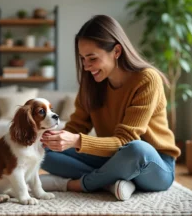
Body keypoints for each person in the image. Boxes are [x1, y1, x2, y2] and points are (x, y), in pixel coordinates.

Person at [39, 15, 181, 201]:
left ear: (116, 51)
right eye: (83, 59)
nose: (87, 66)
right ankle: (111, 182)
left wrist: (76, 140)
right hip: (113, 159)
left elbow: (126, 141)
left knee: (137, 149)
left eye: (92, 58)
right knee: (44, 151)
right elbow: (75, 128)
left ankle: (84, 184)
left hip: (153, 164)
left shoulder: (147, 79)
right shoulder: (91, 84)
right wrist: (54, 139)